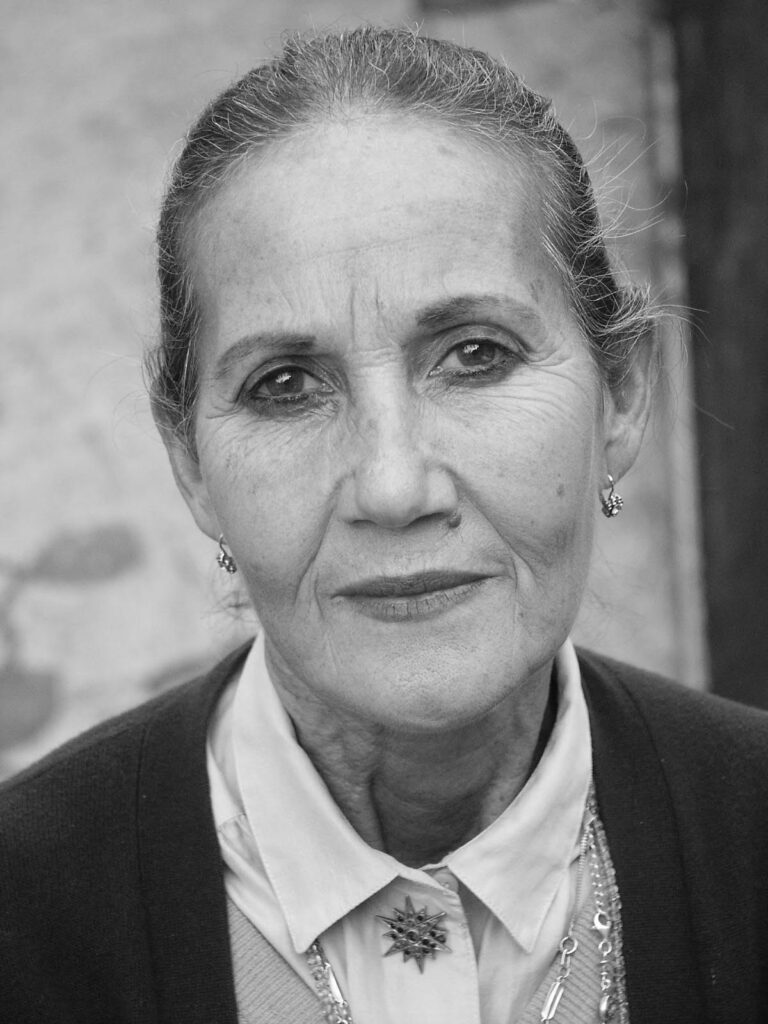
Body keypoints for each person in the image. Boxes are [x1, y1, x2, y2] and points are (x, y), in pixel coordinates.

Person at [1, 26, 767, 1024]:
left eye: (477, 354)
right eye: (285, 385)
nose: (395, 486)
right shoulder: (27, 917)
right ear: (190, 460)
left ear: (620, 395)